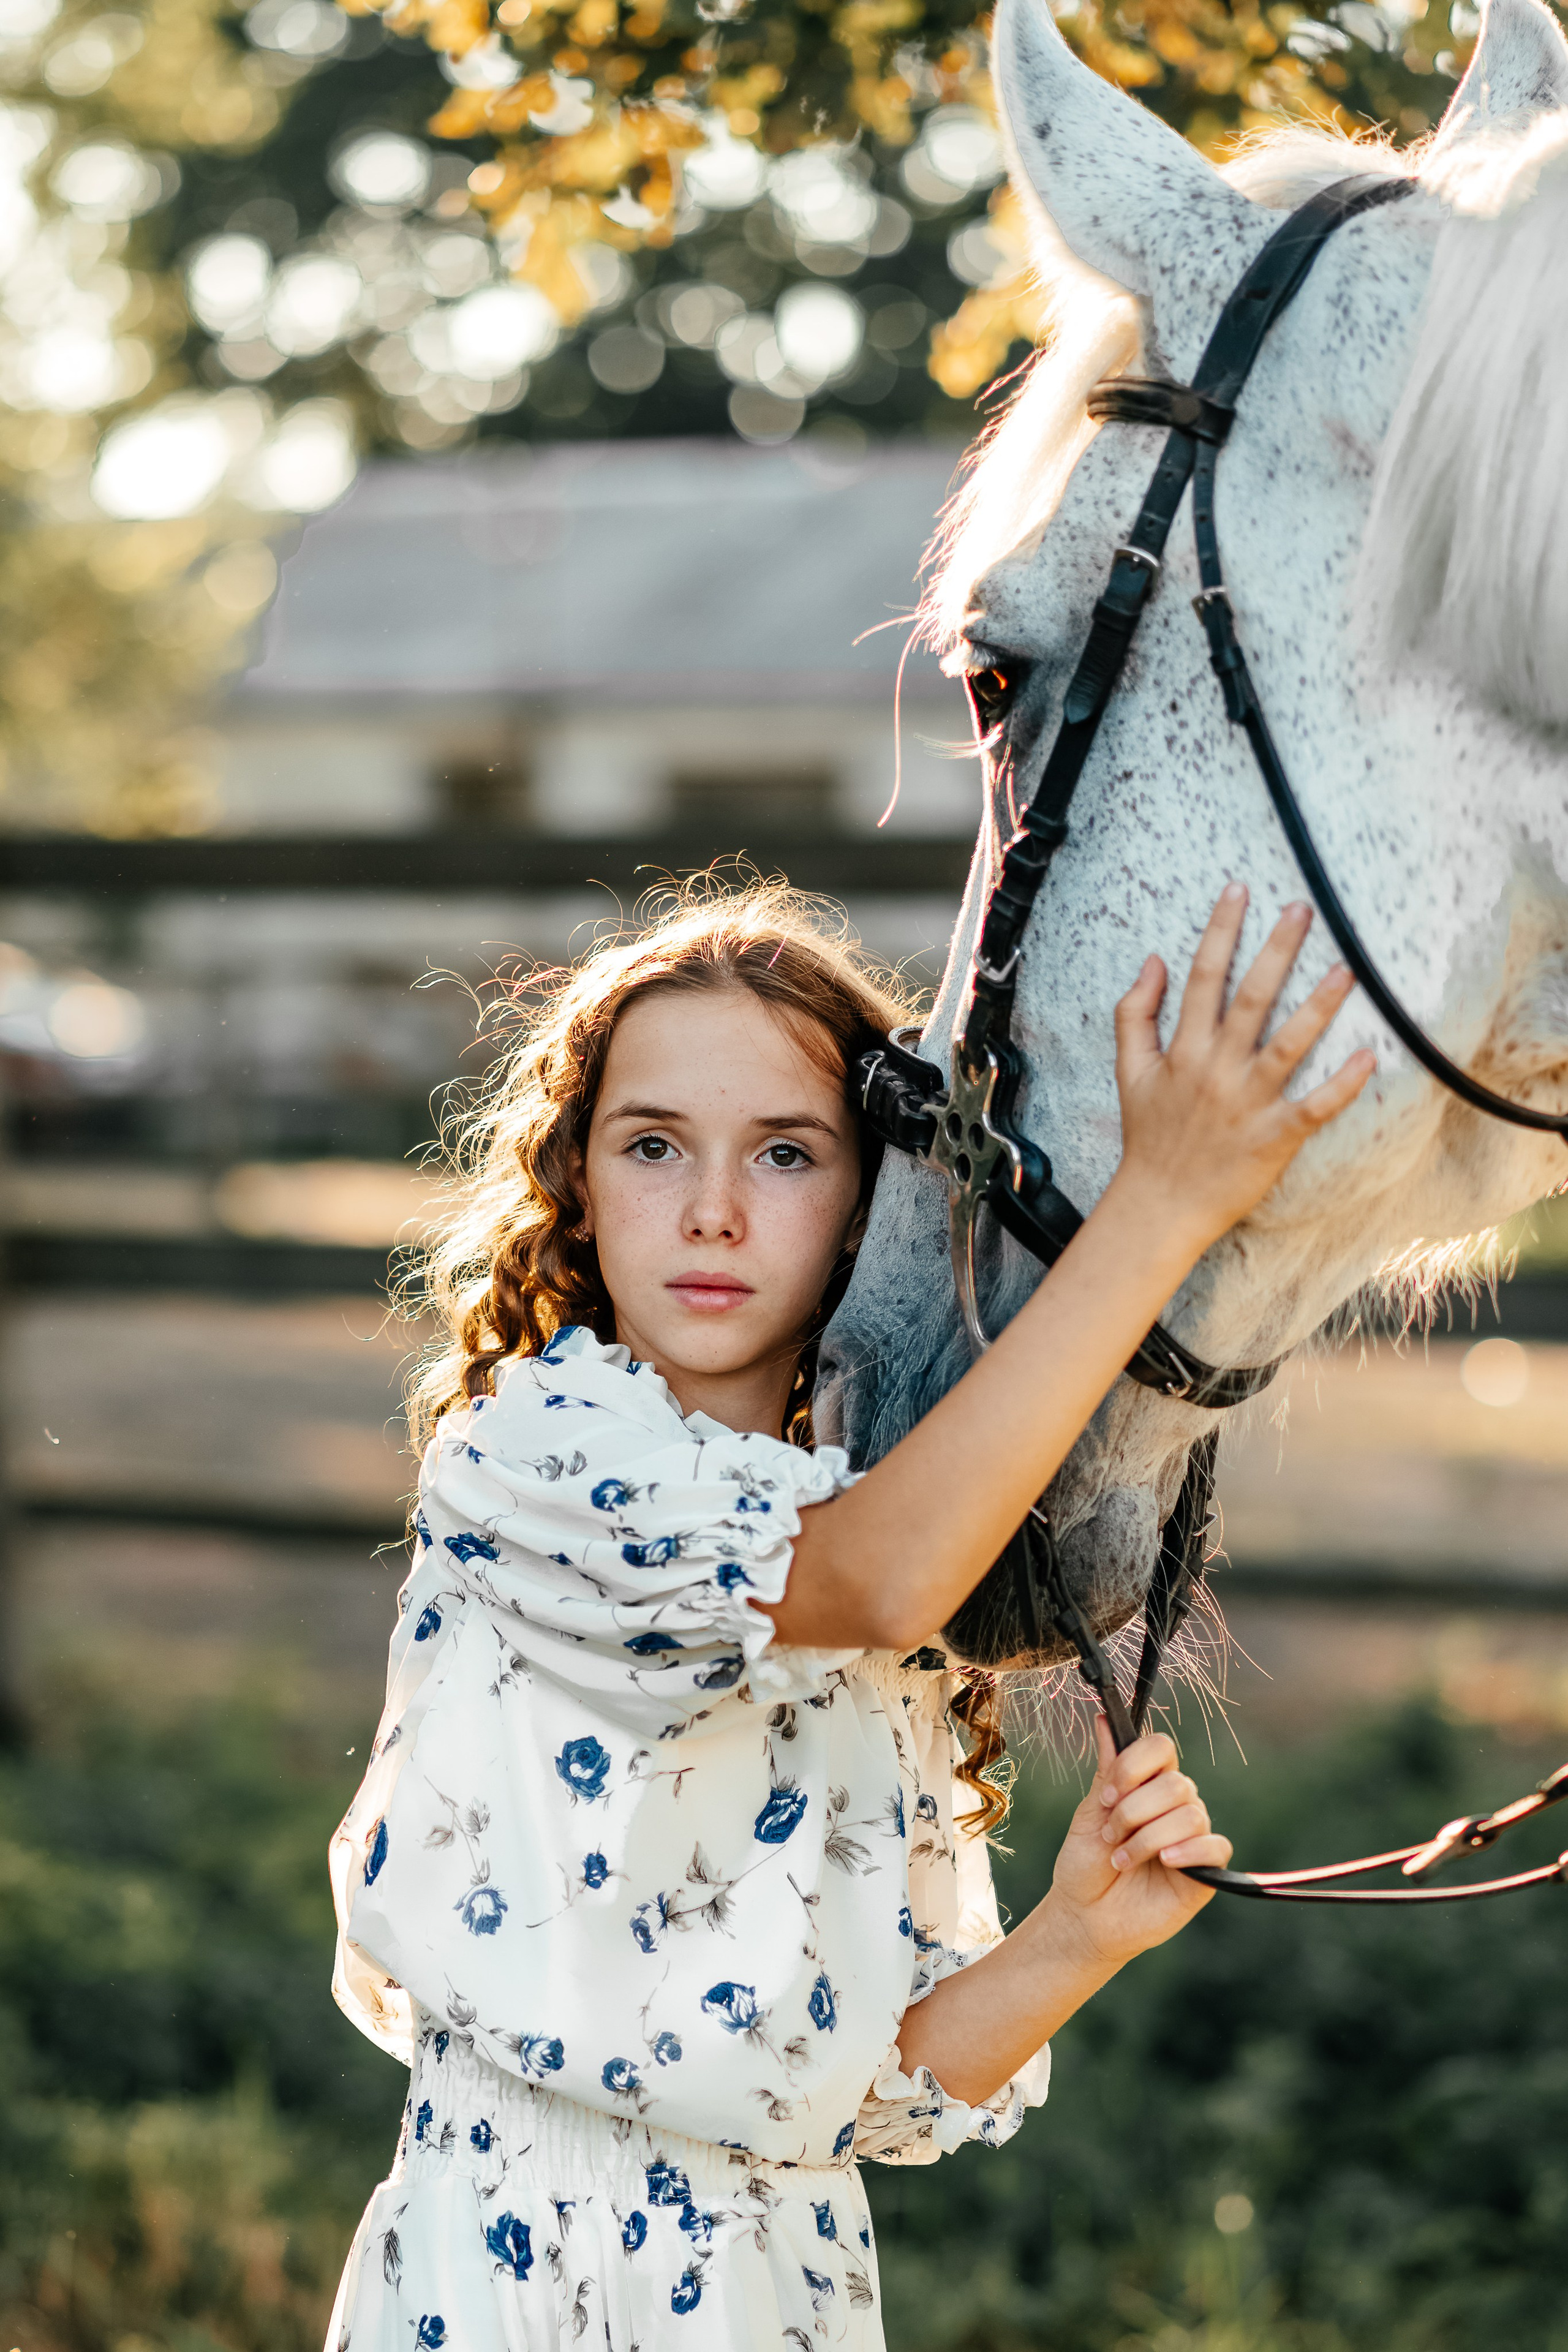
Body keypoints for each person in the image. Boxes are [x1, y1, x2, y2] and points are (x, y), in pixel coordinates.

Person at [325, 875, 1372, 2352]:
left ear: (875, 1196)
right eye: (651, 1145)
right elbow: (878, 1573)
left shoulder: (864, 1528)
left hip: (780, 2285)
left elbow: (869, 2087)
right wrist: (1162, 1201)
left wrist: (1072, 1938)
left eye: (784, 1154)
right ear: (579, 1181)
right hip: (523, 2261)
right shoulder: (540, 1455)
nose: (708, 1208)